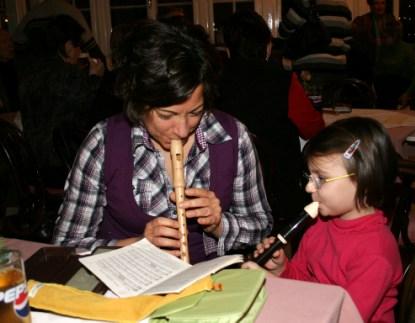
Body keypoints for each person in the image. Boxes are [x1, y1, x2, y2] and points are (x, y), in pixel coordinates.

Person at [52, 20, 273, 264]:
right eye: (166, 115)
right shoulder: (104, 142)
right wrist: (135, 246)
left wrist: (220, 224)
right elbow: (66, 245)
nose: (182, 129)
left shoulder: (232, 136)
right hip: (129, 284)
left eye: (195, 112)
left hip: (212, 281)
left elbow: (261, 226)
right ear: (139, 104)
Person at [244, 117, 403, 322]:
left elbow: (341, 317)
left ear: (364, 178)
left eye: (321, 179)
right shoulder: (320, 223)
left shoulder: (376, 252)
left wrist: (271, 283)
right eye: (310, 177)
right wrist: (282, 269)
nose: (309, 187)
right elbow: (303, 280)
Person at [217, 9, 324, 231]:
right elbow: (312, 128)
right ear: (267, 46)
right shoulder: (282, 80)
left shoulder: (212, 84)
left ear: (228, 49)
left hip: (227, 190)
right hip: (281, 192)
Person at [18, 15, 104, 188]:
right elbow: (90, 112)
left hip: (30, 162)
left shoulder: (29, 73)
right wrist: (95, 77)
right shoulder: (69, 75)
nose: (80, 51)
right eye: (78, 46)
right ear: (68, 46)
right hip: (61, 164)